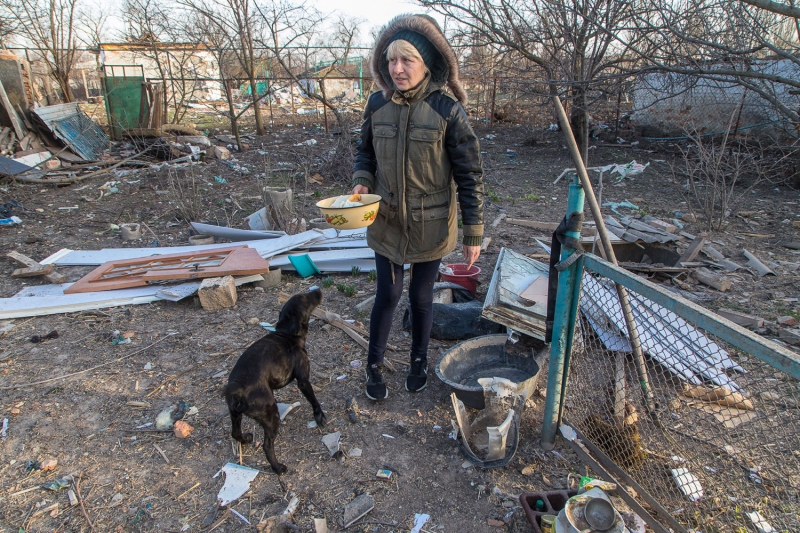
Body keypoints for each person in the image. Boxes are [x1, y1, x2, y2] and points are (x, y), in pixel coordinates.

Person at [351, 14, 485, 400]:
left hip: (432, 223)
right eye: (392, 60)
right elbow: (365, 152)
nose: (397, 68)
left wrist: (473, 230)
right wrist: (362, 177)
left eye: (406, 60)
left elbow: (470, 174)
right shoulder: (377, 104)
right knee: (388, 296)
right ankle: (373, 365)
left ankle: (418, 361)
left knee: (422, 297)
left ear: (425, 63)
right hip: (386, 220)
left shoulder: (447, 110)